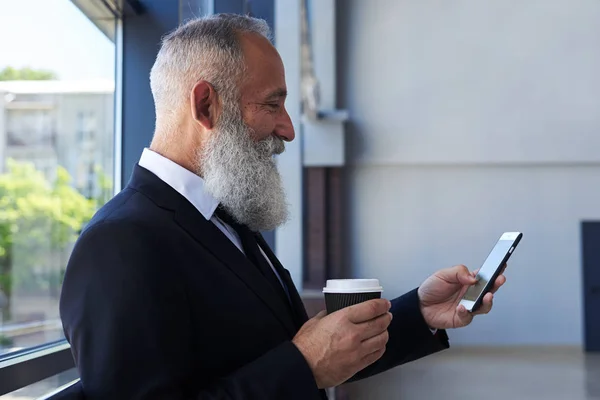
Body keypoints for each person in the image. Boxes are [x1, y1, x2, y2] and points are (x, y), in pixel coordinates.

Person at [59, 14, 506, 400]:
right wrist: (304, 365)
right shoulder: (118, 246)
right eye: (272, 104)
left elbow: (280, 348)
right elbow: (300, 361)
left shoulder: (222, 218)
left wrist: (419, 313)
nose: (288, 130)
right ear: (205, 104)